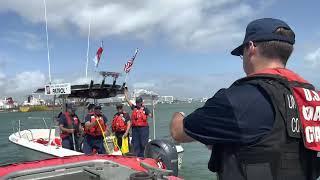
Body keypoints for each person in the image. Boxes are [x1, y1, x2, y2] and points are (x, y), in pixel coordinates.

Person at [170, 18, 320, 180]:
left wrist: (178, 113)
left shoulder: (240, 98)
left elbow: (178, 132)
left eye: (241, 54)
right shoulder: (312, 96)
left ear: (250, 47)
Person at [124, 88, 152, 157]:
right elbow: (128, 101)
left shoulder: (145, 109)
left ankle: (143, 156)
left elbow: (151, 115)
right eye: (137, 102)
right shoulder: (134, 108)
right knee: (135, 143)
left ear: (141, 103)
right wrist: (125, 93)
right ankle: (137, 156)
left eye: (139, 102)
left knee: (143, 143)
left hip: (143, 129)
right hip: (135, 129)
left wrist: (153, 110)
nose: (137, 104)